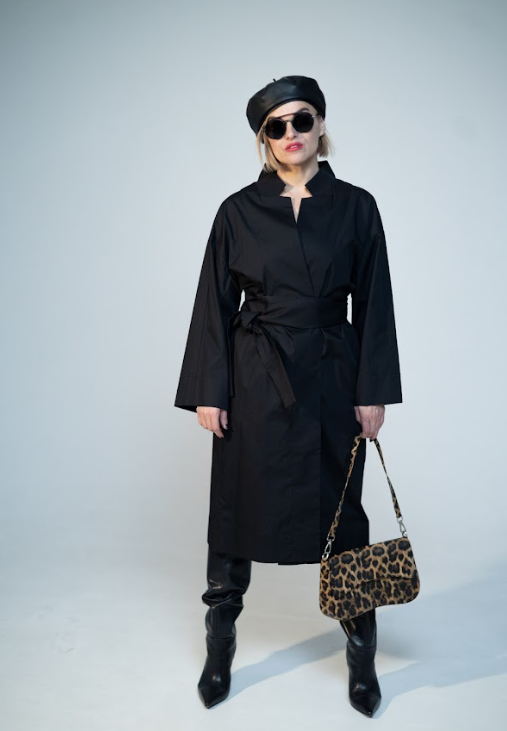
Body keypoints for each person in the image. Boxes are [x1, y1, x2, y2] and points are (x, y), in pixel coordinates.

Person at [174, 75, 403, 717]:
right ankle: (220, 644)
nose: (291, 133)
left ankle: (361, 654)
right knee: (235, 507)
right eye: (276, 126)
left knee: (344, 515)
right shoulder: (237, 211)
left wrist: (373, 389)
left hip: (332, 375)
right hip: (254, 377)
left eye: (302, 119)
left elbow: (376, 301)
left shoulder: (356, 206)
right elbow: (213, 304)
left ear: (320, 124)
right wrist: (210, 391)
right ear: (263, 138)